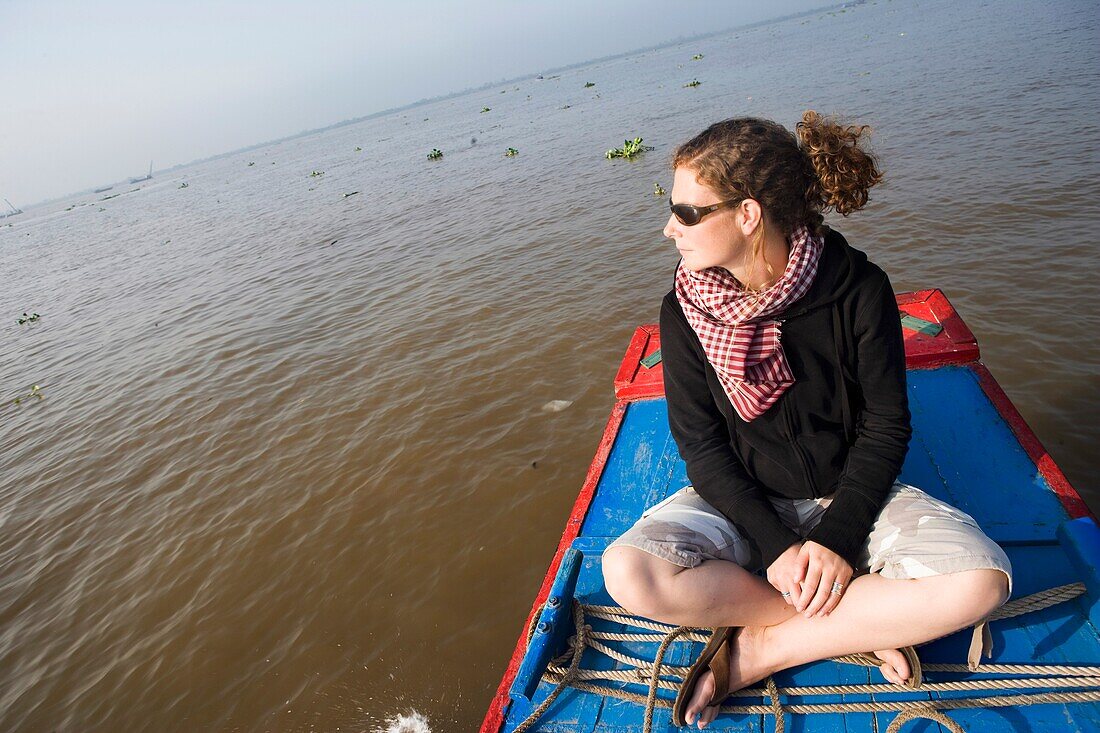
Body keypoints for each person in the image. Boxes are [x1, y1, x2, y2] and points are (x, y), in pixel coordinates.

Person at [601, 111, 1012, 729]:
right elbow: (703, 447)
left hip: (849, 495)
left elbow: (885, 427)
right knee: (628, 573)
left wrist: (839, 539)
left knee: (985, 582)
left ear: (747, 215)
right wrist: (778, 547)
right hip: (744, 499)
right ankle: (851, 623)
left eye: (688, 212)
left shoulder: (859, 291)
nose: (669, 229)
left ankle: (769, 644)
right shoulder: (684, 310)